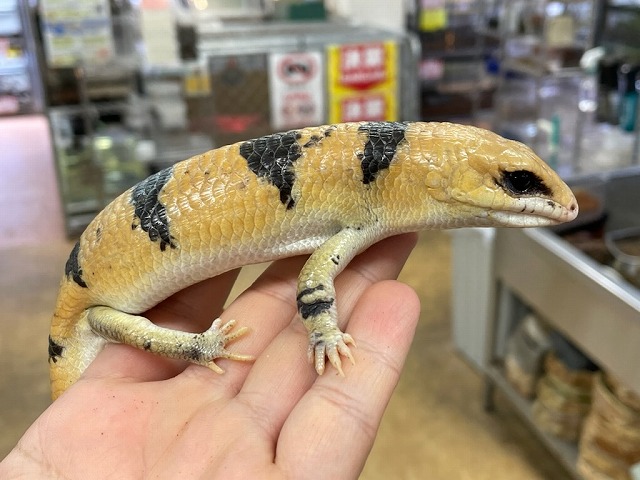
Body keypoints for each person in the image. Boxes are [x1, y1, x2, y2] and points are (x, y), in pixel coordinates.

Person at [0, 233, 420, 479]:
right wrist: (196, 347)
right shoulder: (87, 324)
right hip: (91, 312)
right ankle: (196, 347)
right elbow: (101, 321)